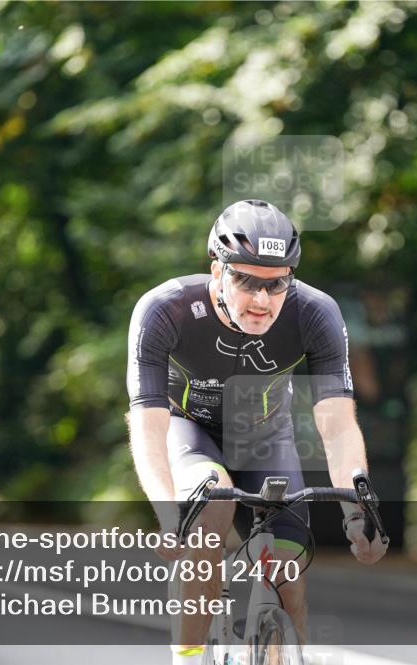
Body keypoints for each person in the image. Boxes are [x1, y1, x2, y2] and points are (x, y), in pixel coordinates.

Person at [126, 199, 388, 665]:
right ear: (216, 270)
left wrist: (357, 510)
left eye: (277, 283)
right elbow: (147, 424)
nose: (262, 300)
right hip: (190, 430)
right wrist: (169, 516)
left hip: (265, 437)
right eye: (245, 280)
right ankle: (187, 657)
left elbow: (337, 423)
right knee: (214, 507)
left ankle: (293, 655)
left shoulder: (314, 313)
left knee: (288, 564)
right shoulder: (166, 310)